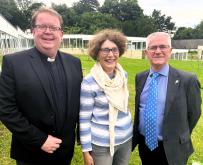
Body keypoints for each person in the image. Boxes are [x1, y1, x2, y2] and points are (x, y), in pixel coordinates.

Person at [0, 7, 82, 165]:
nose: (48, 31)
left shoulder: (74, 63)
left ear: (61, 34)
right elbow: (5, 109)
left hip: (64, 152)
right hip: (30, 152)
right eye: (41, 26)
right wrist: (40, 140)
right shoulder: (13, 63)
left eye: (53, 27)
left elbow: (78, 104)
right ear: (33, 31)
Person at [132, 32, 201, 165]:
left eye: (163, 46)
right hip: (145, 145)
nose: (158, 51)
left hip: (172, 148)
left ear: (170, 51)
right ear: (146, 52)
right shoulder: (140, 77)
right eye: (153, 47)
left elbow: (194, 114)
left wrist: (180, 134)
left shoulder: (187, 80)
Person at [80, 29, 133, 165]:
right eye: (105, 50)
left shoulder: (123, 75)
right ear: (97, 53)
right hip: (102, 143)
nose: (111, 54)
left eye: (114, 50)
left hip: (126, 139)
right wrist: (86, 151)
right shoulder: (89, 82)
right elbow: (84, 119)